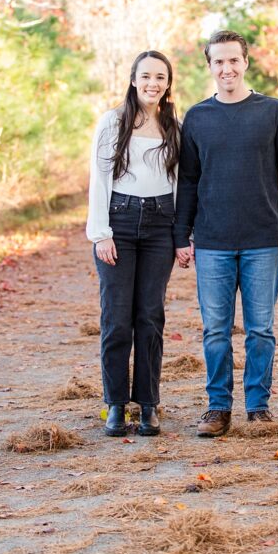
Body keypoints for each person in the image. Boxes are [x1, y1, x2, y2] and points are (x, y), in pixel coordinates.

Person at [174, 30, 278, 438]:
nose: (227, 68)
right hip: (213, 242)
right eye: (218, 62)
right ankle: (218, 408)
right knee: (216, 330)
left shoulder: (272, 111)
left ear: (245, 62)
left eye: (233, 60)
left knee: (260, 330)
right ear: (210, 67)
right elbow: (187, 182)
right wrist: (181, 236)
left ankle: (258, 408)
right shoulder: (198, 118)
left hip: (263, 240)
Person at [86, 50, 180, 437]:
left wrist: (180, 234)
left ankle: (148, 405)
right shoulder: (113, 122)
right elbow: (99, 177)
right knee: (116, 319)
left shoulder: (175, 124)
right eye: (146, 76)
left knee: (150, 318)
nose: (152, 83)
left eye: (160, 77)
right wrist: (101, 233)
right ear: (133, 79)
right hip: (119, 222)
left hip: (160, 226)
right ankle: (115, 405)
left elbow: (180, 182)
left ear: (168, 83)